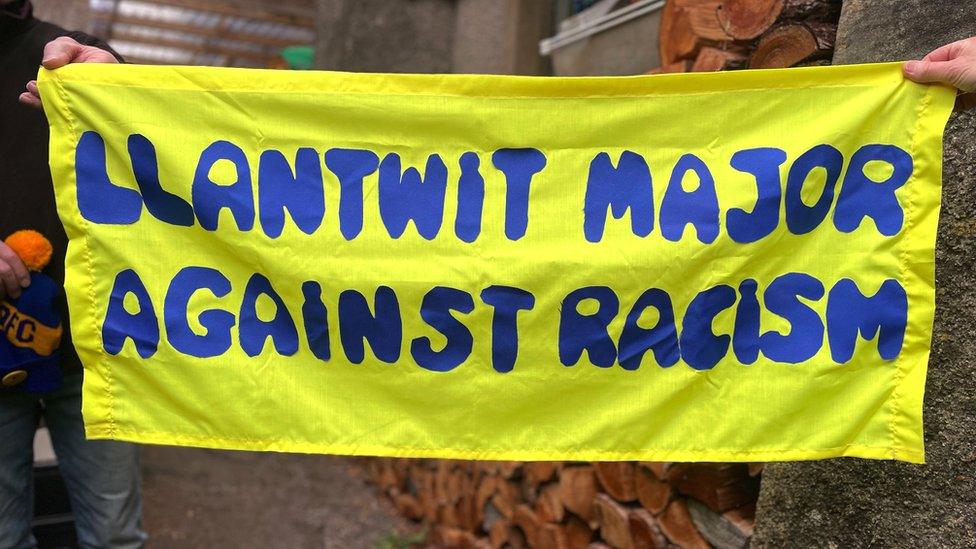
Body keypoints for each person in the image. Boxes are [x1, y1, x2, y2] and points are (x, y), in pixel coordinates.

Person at [2, 1, 145, 548]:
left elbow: (163, 153)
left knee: (113, 537)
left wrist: (126, 93)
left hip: (94, 357)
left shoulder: (70, 56)